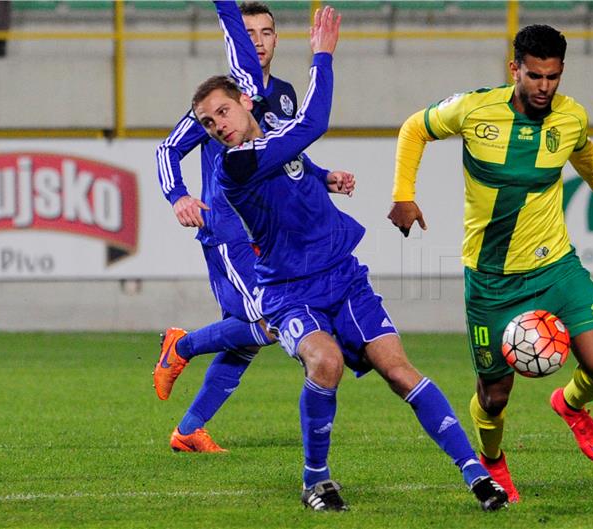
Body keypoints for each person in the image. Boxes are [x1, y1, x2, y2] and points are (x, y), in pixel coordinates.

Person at [191, 2, 509, 513]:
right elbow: (313, 123)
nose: (216, 126)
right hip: (290, 293)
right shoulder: (235, 163)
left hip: (343, 278)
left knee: (400, 370)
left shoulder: (272, 138)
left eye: (222, 112)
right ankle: (316, 479)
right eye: (207, 123)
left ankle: (476, 474)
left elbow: (294, 153)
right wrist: (323, 56)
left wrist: (323, 178)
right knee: (325, 361)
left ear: (245, 102)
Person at [387, 24, 593, 503]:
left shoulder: (571, 117)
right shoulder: (475, 110)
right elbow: (415, 128)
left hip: (556, 266)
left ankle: (570, 404)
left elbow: (583, 152)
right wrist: (403, 196)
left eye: (553, 77)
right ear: (514, 68)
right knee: (495, 397)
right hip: (492, 280)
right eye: (535, 76)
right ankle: (493, 462)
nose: (544, 87)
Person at [153, 1, 300, 453]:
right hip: (229, 230)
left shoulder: (285, 95)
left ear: (277, 38)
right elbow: (167, 150)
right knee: (270, 323)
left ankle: (189, 430)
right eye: (248, 32)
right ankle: (182, 346)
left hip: (268, 230)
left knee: (246, 336)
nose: (258, 41)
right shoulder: (222, 103)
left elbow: (284, 157)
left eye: (267, 32)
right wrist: (178, 195)